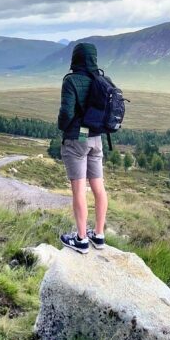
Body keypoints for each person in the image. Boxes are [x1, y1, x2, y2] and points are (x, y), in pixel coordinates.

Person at [57, 41, 108, 253]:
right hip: (97, 139)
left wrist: (63, 127)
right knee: (98, 187)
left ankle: (81, 239)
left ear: (75, 58)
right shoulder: (102, 80)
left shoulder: (71, 81)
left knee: (79, 190)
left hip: (77, 140)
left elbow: (67, 112)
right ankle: (98, 235)